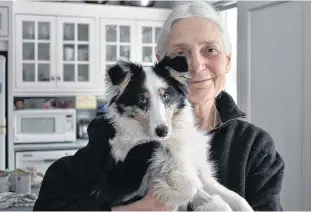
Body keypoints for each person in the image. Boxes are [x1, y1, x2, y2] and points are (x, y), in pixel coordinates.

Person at [33, 1, 285, 211]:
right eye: (181, 54)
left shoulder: (254, 146)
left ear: (228, 62)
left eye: (210, 49)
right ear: (160, 65)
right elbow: (50, 203)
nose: (196, 66)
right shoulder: (111, 132)